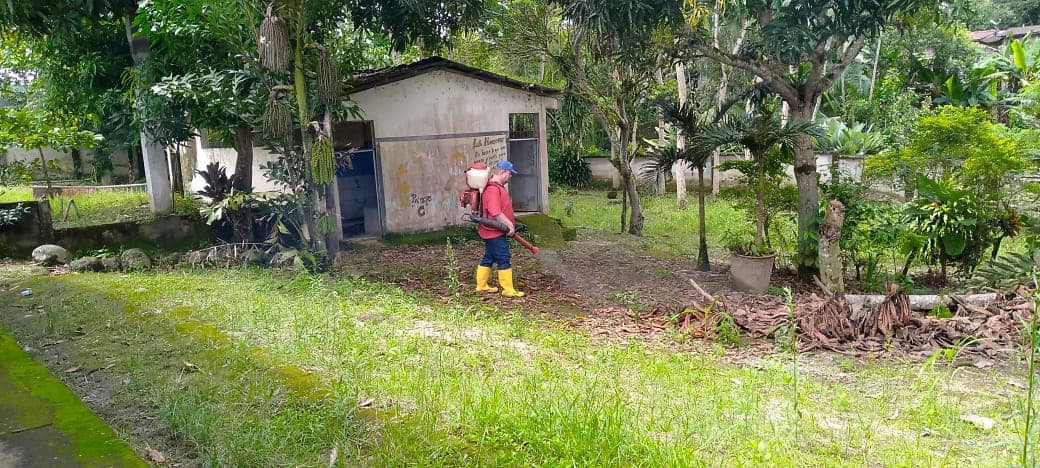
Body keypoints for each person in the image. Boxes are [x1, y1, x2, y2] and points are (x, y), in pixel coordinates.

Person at [474, 160, 524, 297]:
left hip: (493, 231)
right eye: (510, 173)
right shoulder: (493, 189)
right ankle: (508, 290)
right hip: (494, 231)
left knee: (489, 257)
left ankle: (481, 286)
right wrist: (509, 225)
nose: (511, 176)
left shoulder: (496, 187)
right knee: (503, 257)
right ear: (503, 172)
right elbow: (495, 212)